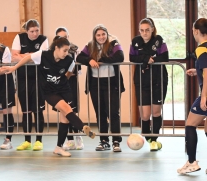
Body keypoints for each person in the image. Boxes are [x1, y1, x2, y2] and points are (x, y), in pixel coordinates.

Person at [2, 36, 96, 157]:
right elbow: (27, 58)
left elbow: (69, 72)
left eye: (68, 50)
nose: (66, 53)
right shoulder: (43, 55)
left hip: (64, 89)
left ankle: (58, 147)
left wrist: (61, 80)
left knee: (65, 118)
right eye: (65, 50)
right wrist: (14, 67)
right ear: (56, 48)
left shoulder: (69, 60)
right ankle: (83, 127)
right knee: (67, 109)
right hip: (49, 92)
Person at [76, 24, 125, 152]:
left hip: (112, 82)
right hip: (95, 83)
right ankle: (104, 140)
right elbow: (79, 57)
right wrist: (89, 60)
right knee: (100, 113)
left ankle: (116, 141)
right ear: (95, 36)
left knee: (113, 112)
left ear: (107, 34)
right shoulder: (90, 45)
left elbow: (120, 56)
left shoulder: (114, 43)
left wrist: (103, 59)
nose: (101, 37)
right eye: (98, 35)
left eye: (103, 34)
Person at [129, 18, 169, 151]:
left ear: (152, 29)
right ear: (139, 31)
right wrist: (146, 59)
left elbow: (165, 57)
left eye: (147, 30)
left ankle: (154, 140)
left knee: (156, 112)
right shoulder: (135, 42)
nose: (145, 33)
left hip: (158, 80)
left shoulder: (159, 41)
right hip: (142, 81)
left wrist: (152, 59)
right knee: (145, 115)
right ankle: (147, 137)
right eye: (142, 30)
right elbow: (132, 57)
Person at [11, 19, 48, 151]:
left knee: (38, 111)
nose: (35, 34)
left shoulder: (44, 39)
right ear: (26, 31)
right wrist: (31, 57)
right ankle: (27, 141)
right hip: (22, 79)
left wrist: (24, 56)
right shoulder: (19, 37)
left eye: (37, 30)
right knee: (26, 111)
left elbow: (42, 57)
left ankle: (39, 141)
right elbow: (13, 56)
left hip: (38, 80)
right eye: (32, 31)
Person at [177, 18, 207, 174]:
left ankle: (191, 162)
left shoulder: (201, 49)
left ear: (196, 31)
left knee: (190, 124)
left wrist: (204, 96)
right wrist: (197, 71)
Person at [55, 27, 84, 150]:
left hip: (70, 85)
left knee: (72, 111)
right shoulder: (53, 53)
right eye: (61, 37)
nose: (64, 39)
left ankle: (78, 137)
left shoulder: (73, 51)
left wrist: (66, 74)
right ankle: (70, 140)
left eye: (66, 37)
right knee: (64, 113)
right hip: (58, 86)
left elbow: (76, 70)